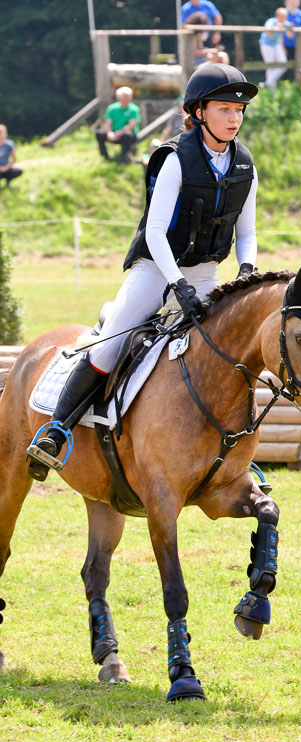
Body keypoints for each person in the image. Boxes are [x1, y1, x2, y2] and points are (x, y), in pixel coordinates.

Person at [27, 64, 259, 482]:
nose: (234, 118)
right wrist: (177, 284)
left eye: (239, 111)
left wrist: (246, 269)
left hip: (206, 274)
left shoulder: (244, 164)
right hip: (156, 269)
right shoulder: (175, 158)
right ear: (200, 112)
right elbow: (155, 232)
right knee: (108, 348)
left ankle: (228, 443)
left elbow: (247, 231)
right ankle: (55, 430)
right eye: (225, 109)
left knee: (224, 352)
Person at [95, 87, 141, 163]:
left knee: (127, 135)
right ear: (119, 98)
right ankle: (104, 156)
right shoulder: (112, 108)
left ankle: (125, 157)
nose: (128, 99)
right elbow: (107, 123)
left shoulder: (133, 109)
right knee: (99, 133)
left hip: (127, 135)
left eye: (129, 96)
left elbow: (131, 125)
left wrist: (119, 133)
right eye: (126, 97)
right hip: (113, 133)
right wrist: (109, 133)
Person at [259, 7, 293, 89]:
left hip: (277, 44)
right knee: (270, 65)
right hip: (266, 44)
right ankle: (271, 90)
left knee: (284, 65)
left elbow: (290, 36)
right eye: (282, 16)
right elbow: (269, 33)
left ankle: (268, 83)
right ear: (277, 16)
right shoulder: (271, 21)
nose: (284, 18)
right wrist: (279, 26)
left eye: (285, 16)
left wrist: (289, 28)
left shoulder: (286, 23)